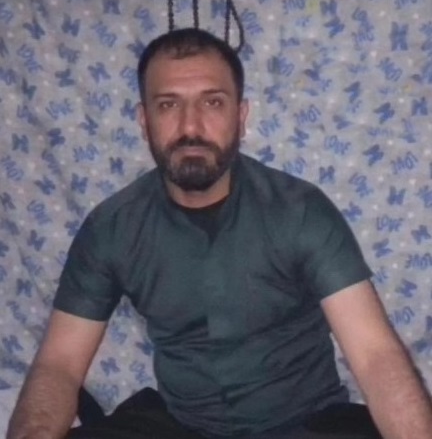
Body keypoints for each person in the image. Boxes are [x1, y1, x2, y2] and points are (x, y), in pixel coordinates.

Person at [7, 27, 432, 439]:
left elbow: (376, 357)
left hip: (304, 424)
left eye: (212, 102)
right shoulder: (111, 228)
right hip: (180, 426)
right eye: (168, 105)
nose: (191, 126)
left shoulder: (301, 212)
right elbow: (59, 365)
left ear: (240, 117)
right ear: (143, 120)